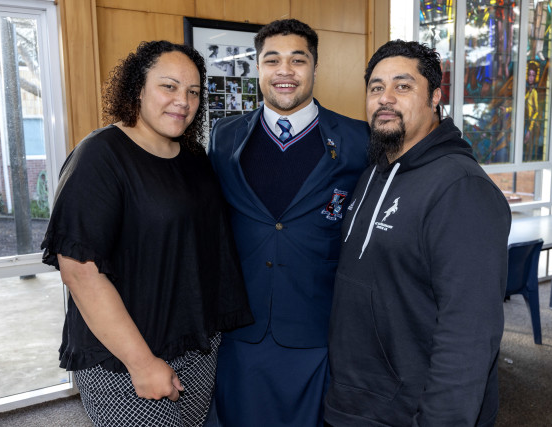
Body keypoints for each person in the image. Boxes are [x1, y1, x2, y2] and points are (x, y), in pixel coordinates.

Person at [40, 40, 253, 426]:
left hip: (195, 348)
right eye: (168, 86)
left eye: (193, 92)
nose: (183, 101)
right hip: (124, 361)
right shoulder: (100, 156)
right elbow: (79, 271)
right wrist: (141, 362)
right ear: (137, 88)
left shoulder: (194, 158)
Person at [325, 40, 511, 426]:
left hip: (407, 411)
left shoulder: (461, 189)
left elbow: (469, 334)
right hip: (353, 402)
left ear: (435, 98)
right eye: (376, 87)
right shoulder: (372, 173)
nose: (385, 98)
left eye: (403, 86)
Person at [207, 19, 369, 426]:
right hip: (242, 325)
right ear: (257, 68)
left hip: (316, 324)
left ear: (315, 67)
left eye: (298, 60)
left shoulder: (357, 139)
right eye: (272, 60)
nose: (285, 71)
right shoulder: (224, 135)